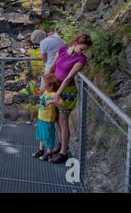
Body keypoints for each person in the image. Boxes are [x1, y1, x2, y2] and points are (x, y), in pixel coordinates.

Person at [46, 33, 93, 164]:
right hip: (55, 88)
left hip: (67, 92)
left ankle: (63, 153)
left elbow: (68, 78)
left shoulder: (81, 59)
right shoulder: (62, 50)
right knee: (55, 118)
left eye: (85, 50)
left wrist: (57, 94)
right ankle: (61, 144)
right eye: (82, 48)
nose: (83, 52)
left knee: (63, 120)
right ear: (75, 43)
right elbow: (53, 67)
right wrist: (47, 84)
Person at [32, 74, 65, 161]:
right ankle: (41, 150)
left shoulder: (54, 95)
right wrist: (31, 87)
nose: (42, 85)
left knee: (48, 137)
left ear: (51, 85)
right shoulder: (45, 92)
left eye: (44, 83)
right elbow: (37, 93)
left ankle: (49, 154)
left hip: (48, 120)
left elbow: (63, 105)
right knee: (41, 135)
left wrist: (52, 101)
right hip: (41, 118)